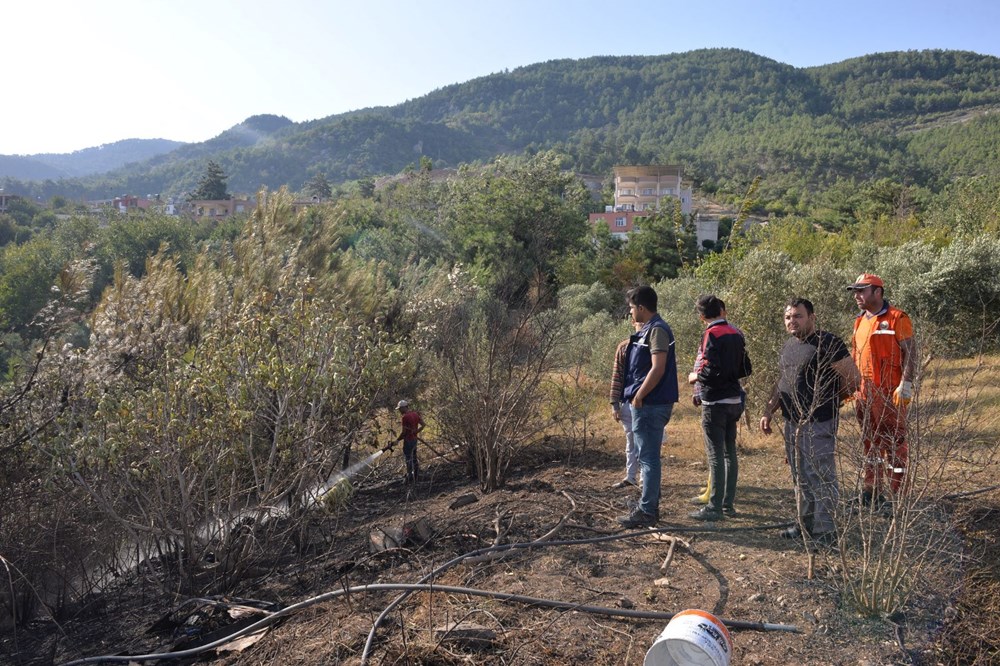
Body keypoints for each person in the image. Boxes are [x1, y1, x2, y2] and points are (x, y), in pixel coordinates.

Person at [760, 298, 860, 542]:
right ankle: (803, 525)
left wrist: (832, 401)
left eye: (797, 316)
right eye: (788, 317)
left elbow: (853, 379)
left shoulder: (829, 343)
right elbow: (782, 381)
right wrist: (768, 410)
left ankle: (826, 530)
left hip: (819, 421)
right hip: (792, 422)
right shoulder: (788, 346)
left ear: (811, 318)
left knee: (821, 475)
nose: (792, 321)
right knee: (799, 474)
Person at [847, 273, 917, 508]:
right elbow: (856, 356)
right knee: (870, 443)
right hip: (864, 393)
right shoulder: (859, 320)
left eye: (862, 290)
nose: (857, 296)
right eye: (855, 291)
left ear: (877, 292)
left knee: (895, 444)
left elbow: (910, 353)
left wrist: (905, 384)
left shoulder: (897, 318)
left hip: (890, 394)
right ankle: (872, 491)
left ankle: (896, 497)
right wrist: (851, 387)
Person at [617, 286, 679, 528]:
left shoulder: (657, 331)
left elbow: (658, 368)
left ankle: (647, 511)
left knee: (648, 458)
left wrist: (639, 395)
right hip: (647, 403)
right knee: (647, 456)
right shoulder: (648, 331)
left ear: (641, 308)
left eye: (632, 308)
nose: (630, 312)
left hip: (651, 404)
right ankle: (649, 504)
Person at [687, 295, 752, 521]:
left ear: (702, 316)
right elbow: (746, 368)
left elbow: (709, 369)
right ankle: (728, 505)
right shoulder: (736, 333)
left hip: (715, 402)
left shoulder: (710, 334)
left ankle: (714, 507)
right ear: (723, 311)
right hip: (734, 400)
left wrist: (694, 377)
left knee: (715, 455)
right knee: (729, 453)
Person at [609, 320, 645, 489]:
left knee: (647, 442)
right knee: (631, 442)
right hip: (627, 402)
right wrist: (614, 404)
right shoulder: (624, 347)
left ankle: (646, 479)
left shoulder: (653, 346)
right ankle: (631, 476)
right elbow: (617, 376)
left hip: (648, 403)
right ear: (633, 323)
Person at [394, 400, 424, 483]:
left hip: (408, 440)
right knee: (414, 457)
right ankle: (416, 475)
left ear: (404, 407)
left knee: (408, 459)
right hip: (414, 440)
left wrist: (397, 440)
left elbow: (403, 432)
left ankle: (410, 477)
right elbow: (423, 424)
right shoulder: (415, 414)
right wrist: (416, 432)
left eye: (400, 409)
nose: (399, 411)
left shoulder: (405, 417)